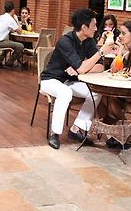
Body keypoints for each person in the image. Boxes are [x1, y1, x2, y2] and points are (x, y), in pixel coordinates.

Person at [40, 8, 116, 149]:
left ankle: (77, 128)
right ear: (84, 27)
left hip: (70, 81)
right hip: (50, 80)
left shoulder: (88, 41)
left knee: (96, 91)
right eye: (93, 25)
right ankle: (54, 134)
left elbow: (100, 67)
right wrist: (100, 53)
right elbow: (83, 68)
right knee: (65, 92)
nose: (95, 28)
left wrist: (80, 68)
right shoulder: (65, 41)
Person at [97, 20, 131, 149]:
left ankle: (124, 134)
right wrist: (120, 51)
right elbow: (113, 70)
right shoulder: (127, 52)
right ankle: (115, 134)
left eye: (123, 33)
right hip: (126, 89)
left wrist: (123, 69)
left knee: (110, 99)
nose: (120, 36)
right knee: (103, 97)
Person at [0, 1, 24, 68]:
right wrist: (16, 20)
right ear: (13, 10)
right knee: (20, 46)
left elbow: (9, 28)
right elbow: (20, 32)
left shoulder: (2, 17)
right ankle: (9, 63)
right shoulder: (10, 19)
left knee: (9, 43)